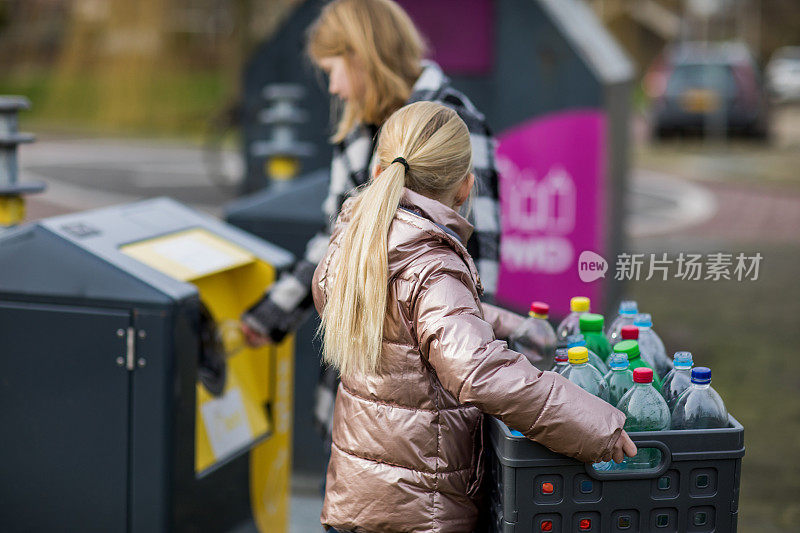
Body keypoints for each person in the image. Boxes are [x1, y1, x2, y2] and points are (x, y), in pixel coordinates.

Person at [312, 101, 636, 532]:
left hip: (355, 501)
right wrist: (597, 426)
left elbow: (410, 317)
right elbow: (479, 370)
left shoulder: (356, 244)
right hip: (418, 515)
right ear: (465, 189)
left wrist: (507, 324)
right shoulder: (431, 263)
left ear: (378, 173)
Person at [238, 0, 519, 446]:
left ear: (363, 56)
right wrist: (269, 316)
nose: (333, 87)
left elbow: (479, 272)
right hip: (358, 389)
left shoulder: (452, 123)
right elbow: (331, 244)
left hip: (426, 408)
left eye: (334, 69)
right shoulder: (357, 130)